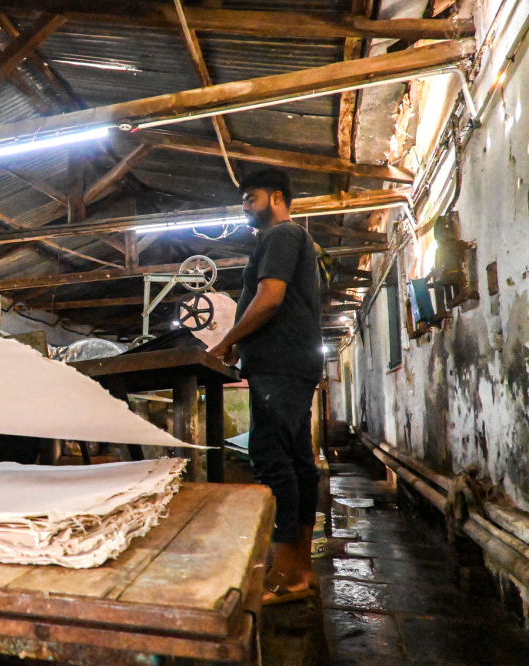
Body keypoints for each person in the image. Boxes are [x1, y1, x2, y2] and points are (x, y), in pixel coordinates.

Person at [207, 168, 323, 605]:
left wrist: (229, 340)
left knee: (272, 461)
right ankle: (300, 569)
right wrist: (243, 341)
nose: (244, 207)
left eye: (250, 198)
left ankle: (284, 571)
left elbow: (270, 297)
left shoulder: (279, 236)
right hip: (293, 362)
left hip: (278, 365)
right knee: (297, 462)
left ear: (277, 197)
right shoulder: (297, 240)